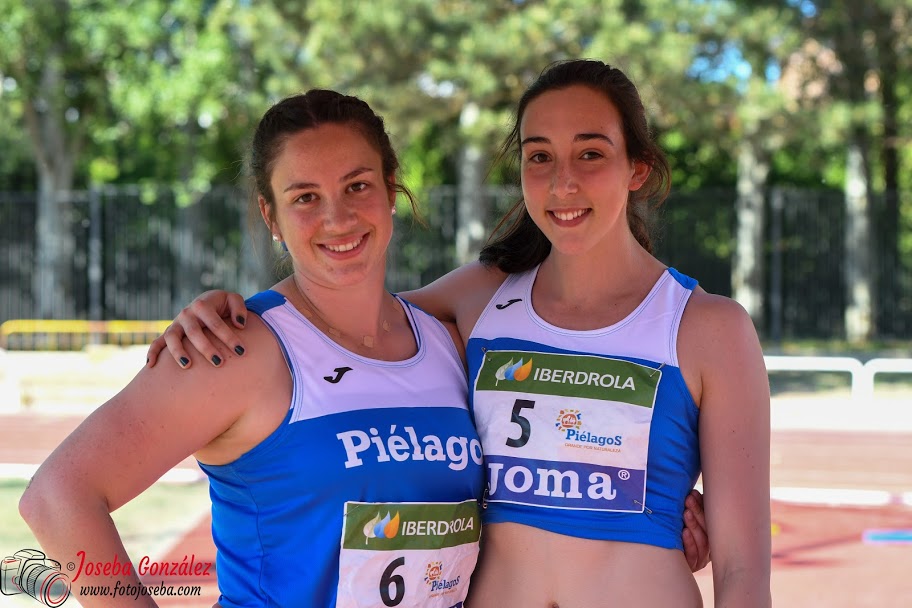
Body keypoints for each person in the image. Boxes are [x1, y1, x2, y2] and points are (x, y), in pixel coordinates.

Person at [151, 60, 758, 607]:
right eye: (539, 156)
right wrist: (229, 312)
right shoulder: (482, 296)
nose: (562, 181)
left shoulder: (708, 328)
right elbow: (338, 320)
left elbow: (743, 572)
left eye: (591, 153)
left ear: (638, 168)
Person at [19, 90, 488, 607]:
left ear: (390, 190)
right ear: (271, 217)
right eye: (305, 197)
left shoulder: (447, 339)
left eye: (357, 185)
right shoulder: (232, 346)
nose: (337, 217)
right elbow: (57, 497)